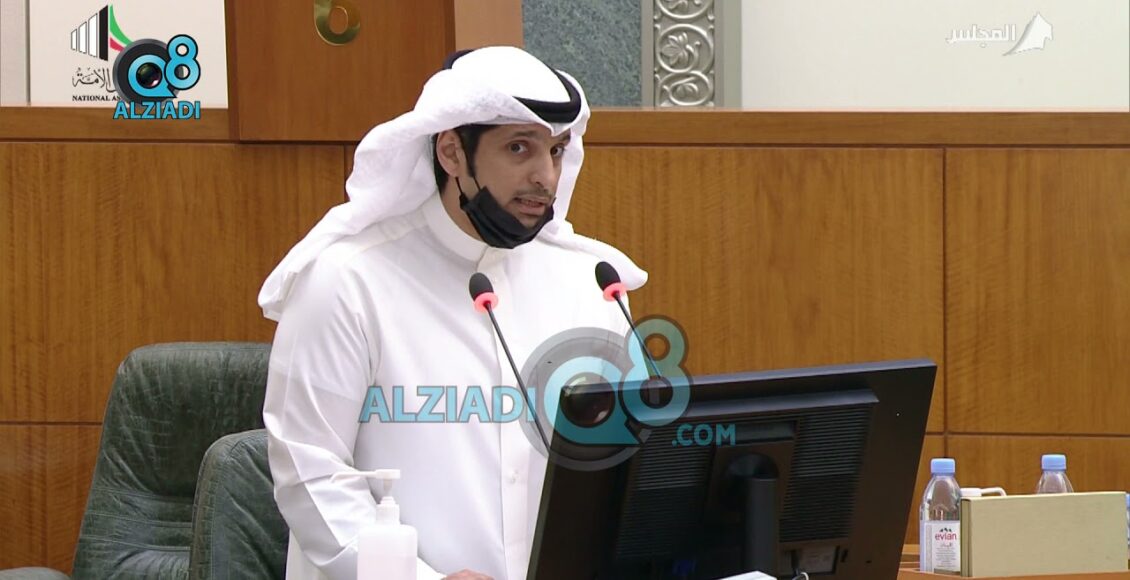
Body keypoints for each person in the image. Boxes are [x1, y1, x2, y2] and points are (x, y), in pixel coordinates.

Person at [259, 46, 647, 580]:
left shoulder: (591, 284)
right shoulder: (349, 281)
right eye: (519, 148)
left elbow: (616, 470)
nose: (545, 176)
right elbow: (310, 471)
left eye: (556, 151)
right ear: (451, 152)